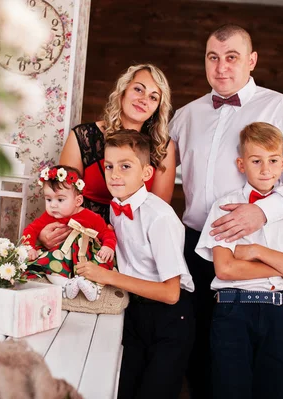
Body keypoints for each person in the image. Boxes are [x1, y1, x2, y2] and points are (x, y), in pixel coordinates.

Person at [169, 24, 283, 398]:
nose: (221, 67)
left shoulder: (279, 108)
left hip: (252, 246)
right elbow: (158, 173)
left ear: (251, 61)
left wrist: (263, 212)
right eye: (213, 57)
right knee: (201, 352)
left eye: (232, 57)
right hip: (194, 245)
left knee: (263, 362)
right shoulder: (187, 116)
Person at [195, 122, 283, 398]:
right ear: (242, 164)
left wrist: (256, 252)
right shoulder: (224, 207)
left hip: (280, 314)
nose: (265, 169)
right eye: (256, 161)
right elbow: (226, 268)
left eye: (273, 160)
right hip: (233, 312)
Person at [75, 129, 194, 399]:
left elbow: (170, 293)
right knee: (124, 389)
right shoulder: (117, 207)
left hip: (170, 318)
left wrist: (108, 277)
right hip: (134, 311)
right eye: (109, 166)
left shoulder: (159, 217)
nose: (115, 174)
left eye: (125, 166)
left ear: (146, 173)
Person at [38, 64, 175, 249]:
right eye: (138, 89)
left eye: (153, 97)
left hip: (134, 246)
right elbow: (61, 198)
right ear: (123, 91)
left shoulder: (162, 147)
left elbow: (158, 211)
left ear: (158, 107)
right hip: (81, 238)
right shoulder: (83, 136)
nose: (144, 100)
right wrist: (44, 233)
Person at [22, 165, 117, 301]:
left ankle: (92, 287)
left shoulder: (91, 217)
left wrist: (108, 246)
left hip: (84, 258)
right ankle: (66, 285)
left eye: (60, 200)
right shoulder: (48, 217)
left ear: (78, 201)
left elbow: (105, 232)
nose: (53, 205)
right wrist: (29, 247)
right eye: (48, 199)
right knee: (49, 265)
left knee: (101, 261)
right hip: (60, 257)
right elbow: (31, 230)